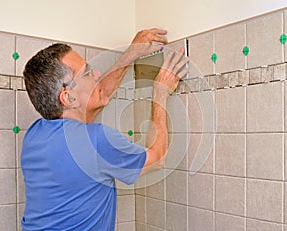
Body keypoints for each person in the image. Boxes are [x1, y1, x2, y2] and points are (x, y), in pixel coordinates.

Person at [21, 28, 189, 230]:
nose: (97, 74)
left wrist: (131, 54)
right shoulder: (96, 139)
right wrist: (160, 93)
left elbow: (92, 103)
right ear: (67, 97)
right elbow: (157, 159)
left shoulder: (34, 135)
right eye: (88, 73)